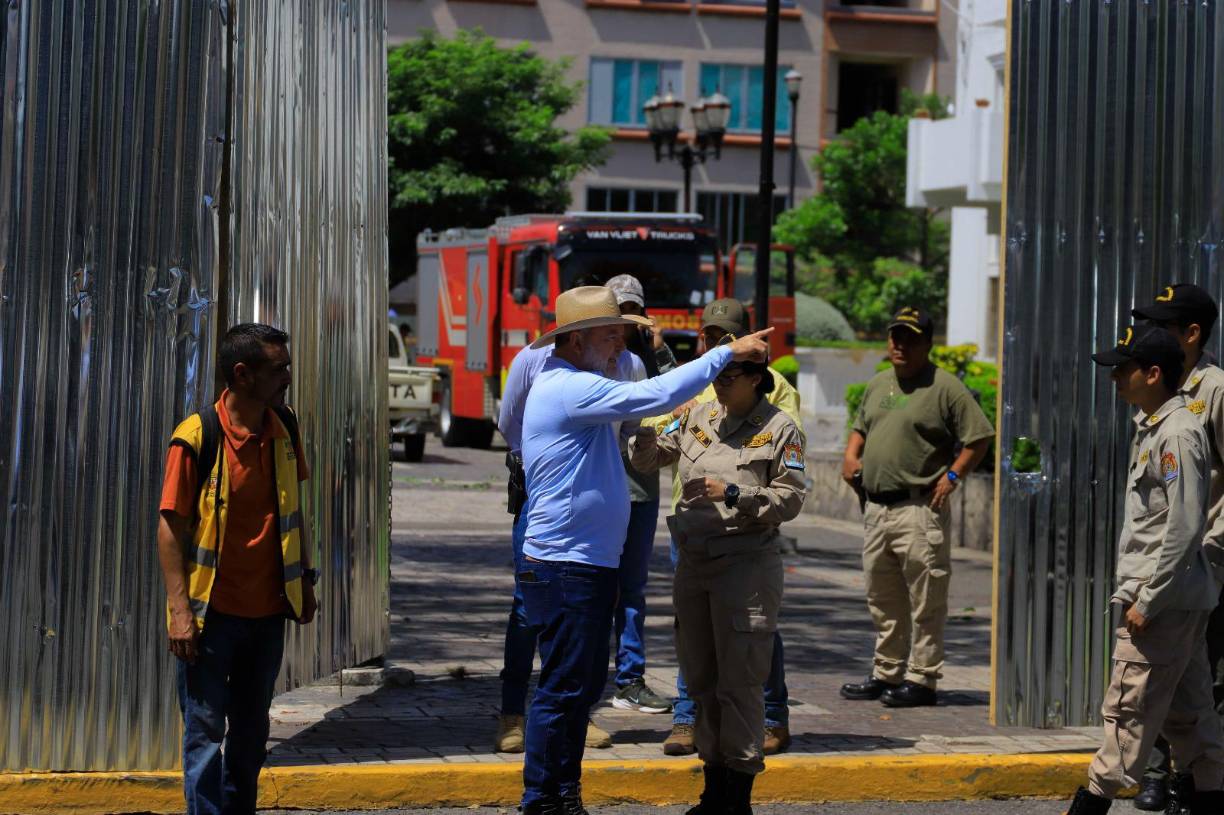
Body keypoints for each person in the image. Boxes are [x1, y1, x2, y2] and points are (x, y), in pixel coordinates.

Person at [517, 286, 772, 815]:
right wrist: (726, 353)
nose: (619, 346)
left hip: (583, 564)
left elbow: (648, 397)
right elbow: (654, 398)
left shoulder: (582, 379)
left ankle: (562, 796)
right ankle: (544, 801)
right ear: (578, 337)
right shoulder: (568, 386)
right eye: (611, 334)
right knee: (563, 691)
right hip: (567, 565)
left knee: (576, 690)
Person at [629, 345, 807, 815]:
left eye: (733, 374)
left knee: (741, 684)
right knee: (702, 679)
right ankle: (712, 792)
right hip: (694, 563)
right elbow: (649, 457)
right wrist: (644, 426)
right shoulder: (697, 415)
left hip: (744, 564)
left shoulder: (779, 428)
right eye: (719, 374)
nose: (722, 382)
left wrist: (732, 491)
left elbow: (789, 500)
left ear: (757, 377)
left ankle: (737, 797)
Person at [1064, 323, 1224, 815]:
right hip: (1177, 598)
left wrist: (1149, 601)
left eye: (1123, 370)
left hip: (1161, 603)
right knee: (1192, 718)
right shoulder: (1158, 426)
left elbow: (1185, 524)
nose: (1115, 379)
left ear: (1153, 373)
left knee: (1126, 716)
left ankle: (1090, 805)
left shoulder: (1177, 432)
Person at [157, 323, 317, 815]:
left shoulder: (284, 426)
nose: (288, 376)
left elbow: (293, 511)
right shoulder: (196, 437)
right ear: (243, 374)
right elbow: (169, 528)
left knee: (251, 734)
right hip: (212, 618)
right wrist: (180, 610)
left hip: (268, 614)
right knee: (204, 734)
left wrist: (305, 582)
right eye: (279, 368)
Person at [839, 306, 993, 708]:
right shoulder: (878, 384)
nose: (899, 345)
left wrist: (954, 476)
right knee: (882, 595)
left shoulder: (946, 388)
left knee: (927, 597)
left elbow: (979, 437)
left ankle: (922, 679)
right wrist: (850, 456)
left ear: (927, 343)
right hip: (876, 509)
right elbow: (860, 429)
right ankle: (886, 671)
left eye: (909, 338)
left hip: (919, 508)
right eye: (895, 336)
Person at [1129, 284, 1224, 812]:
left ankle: (1191, 778)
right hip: (1165, 561)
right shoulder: (1156, 384)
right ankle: (1160, 771)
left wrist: (1212, 544)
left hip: (1206, 561)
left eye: (1162, 326)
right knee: (1161, 667)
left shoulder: (1215, 391)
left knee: (1201, 672)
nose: (1148, 334)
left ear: (1191, 333)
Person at [605, 274, 675, 715]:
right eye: (621, 313)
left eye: (634, 315)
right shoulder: (592, 360)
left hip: (641, 494)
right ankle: (588, 678)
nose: (627, 324)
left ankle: (629, 678)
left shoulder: (641, 362)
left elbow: (678, 401)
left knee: (632, 592)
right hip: (604, 494)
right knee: (596, 590)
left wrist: (661, 349)